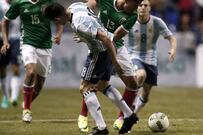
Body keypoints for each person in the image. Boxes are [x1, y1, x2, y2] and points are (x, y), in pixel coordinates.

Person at [44, 2, 138, 134]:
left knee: (85, 88)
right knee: (103, 85)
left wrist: (115, 61)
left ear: (57, 19)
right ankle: (129, 115)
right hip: (106, 49)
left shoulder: (78, 23)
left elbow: (105, 38)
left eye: (53, 22)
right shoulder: (75, 6)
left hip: (100, 52)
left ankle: (101, 128)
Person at [77, 0, 144, 132]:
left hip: (116, 47)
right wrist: (86, 28)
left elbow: (116, 36)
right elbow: (91, 4)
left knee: (133, 84)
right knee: (92, 85)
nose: (137, 8)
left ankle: (126, 116)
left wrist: (88, 34)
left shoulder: (132, 16)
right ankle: (83, 116)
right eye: (136, 4)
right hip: (99, 48)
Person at [1, 0, 63, 123]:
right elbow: (5, 22)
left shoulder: (48, 2)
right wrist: (5, 41)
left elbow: (59, 20)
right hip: (28, 43)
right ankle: (27, 110)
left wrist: (59, 34)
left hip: (45, 46)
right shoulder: (19, 3)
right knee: (30, 72)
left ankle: (26, 103)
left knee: (39, 86)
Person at [127, 0, 177, 114]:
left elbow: (172, 38)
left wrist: (173, 49)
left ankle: (133, 114)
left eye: (146, 5)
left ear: (150, 8)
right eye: (140, 5)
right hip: (134, 56)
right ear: (136, 8)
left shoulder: (157, 22)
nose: (143, 8)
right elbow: (115, 33)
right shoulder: (130, 21)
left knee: (146, 95)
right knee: (140, 75)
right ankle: (130, 107)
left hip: (151, 60)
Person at [0, 0, 21, 108]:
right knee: (2, 69)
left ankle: (14, 97)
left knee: (16, 68)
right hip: (2, 38)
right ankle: (5, 97)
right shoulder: (1, 4)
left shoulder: (20, 3)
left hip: (16, 39)